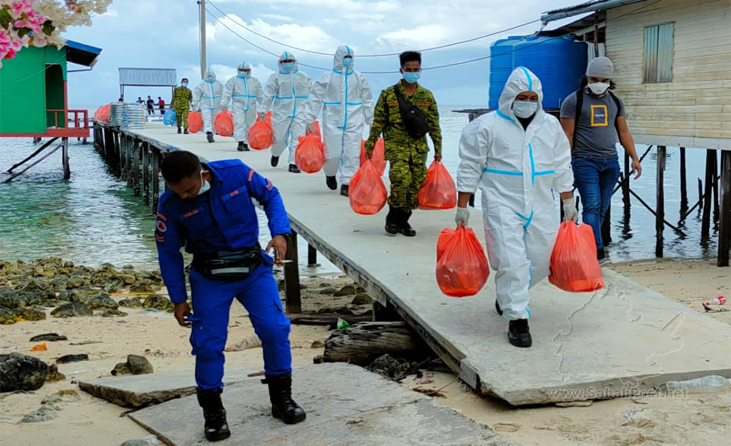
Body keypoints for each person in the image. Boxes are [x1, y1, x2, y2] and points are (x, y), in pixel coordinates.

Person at [155, 151, 306, 442]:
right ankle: (214, 415)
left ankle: (282, 401)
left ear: (202, 174)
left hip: (253, 271)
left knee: (275, 329)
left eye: (188, 190)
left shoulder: (236, 172)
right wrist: (178, 298)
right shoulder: (170, 204)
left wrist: (280, 232)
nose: (184, 197)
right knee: (208, 345)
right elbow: (168, 252)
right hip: (210, 278)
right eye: (177, 192)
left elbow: (271, 197)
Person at [455, 67, 576, 348]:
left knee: (541, 261)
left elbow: (561, 163)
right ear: (510, 95)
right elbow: (470, 165)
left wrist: (568, 200)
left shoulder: (550, 126)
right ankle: (517, 319)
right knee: (511, 259)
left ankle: (508, 295)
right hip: (501, 200)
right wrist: (463, 206)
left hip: (542, 201)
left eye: (533, 97)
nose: (528, 102)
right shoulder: (485, 127)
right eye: (522, 96)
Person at [560, 56, 642, 263]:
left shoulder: (615, 101)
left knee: (602, 209)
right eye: (594, 79)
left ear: (609, 80)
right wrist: (562, 163)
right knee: (592, 206)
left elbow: (623, 132)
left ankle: (587, 245)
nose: (599, 84)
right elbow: (566, 136)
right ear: (587, 78)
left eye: (603, 80)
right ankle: (596, 251)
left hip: (610, 162)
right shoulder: (573, 101)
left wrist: (634, 157)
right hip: (584, 160)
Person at [364, 51, 441, 236]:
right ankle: (392, 219)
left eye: (416, 69)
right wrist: (371, 144)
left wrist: (438, 149)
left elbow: (434, 124)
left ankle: (403, 220)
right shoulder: (388, 95)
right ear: (401, 70)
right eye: (409, 69)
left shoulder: (426, 96)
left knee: (415, 185)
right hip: (396, 147)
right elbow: (378, 122)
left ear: (420, 69)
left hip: (418, 149)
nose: (412, 72)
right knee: (400, 181)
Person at [302, 45, 373, 196]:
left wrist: (370, 118)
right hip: (332, 120)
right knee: (332, 154)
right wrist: (309, 118)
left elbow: (367, 99)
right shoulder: (327, 77)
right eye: (345, 57)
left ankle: (347, 183)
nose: (347, 60)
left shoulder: (359, 77)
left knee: (352, 152)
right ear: (338, 58)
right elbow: (315, 98)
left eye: (350, 58)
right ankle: (330, 173)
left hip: (354, 119)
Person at [261, 51, 313, 174]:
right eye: (285, 61)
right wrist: (263, 109)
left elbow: (312, 94)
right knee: (279, 138)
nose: (288, 63)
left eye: (290, 61)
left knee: (298, 137)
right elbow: (268, 94)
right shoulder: (276, 77)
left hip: (300, 112)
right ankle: (276, 153)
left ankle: (293, 163)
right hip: (281, 112)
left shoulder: (303, 76)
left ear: (295, 62)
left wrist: (311, 113)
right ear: (280, 63)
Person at [221, 62, 263, 152]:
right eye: (241, 70)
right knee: (239, 122)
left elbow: (260, 94)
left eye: (245, 70)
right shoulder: (233, 80)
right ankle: (240, 142)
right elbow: (227, 93)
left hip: (251, 105)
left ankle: (246, 143)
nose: (243, 72)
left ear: (249, 71)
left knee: (250, 124)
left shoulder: (255, 81)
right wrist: (224, 104)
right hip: (238, 104)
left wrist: (264, 105)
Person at [192, 69, 224, 143]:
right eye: (208, 76)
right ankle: (209, 132)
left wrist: (224, 104)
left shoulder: (218, 84)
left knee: (215, 120)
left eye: (211, 76)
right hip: (206, 104)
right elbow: (197, 95)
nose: (210, 77)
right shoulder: (201, 84)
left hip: (217, 104)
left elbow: (223, 94)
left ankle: (213, 132)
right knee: (207, 118)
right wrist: (194, 104)